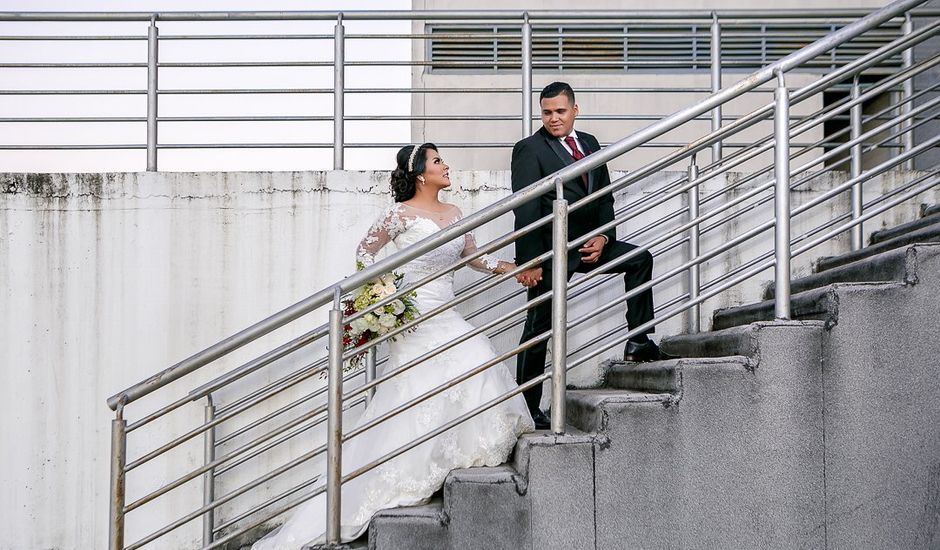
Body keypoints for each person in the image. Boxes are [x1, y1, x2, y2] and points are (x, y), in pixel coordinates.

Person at [252, 143, 534, 549]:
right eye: (438, 161)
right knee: (415, 390)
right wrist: (385, 294)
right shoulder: (398, 214)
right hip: (413, 317)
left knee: (475, 357)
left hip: (445, 308)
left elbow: (473, 257)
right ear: (420, 173)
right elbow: (365, 254)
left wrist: (508, 268)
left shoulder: (455, 214)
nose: (446, 165)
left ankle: (456, 452)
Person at [511, 82, 673, 430]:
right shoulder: (528, 150)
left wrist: (604, 235)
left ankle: (639, 340)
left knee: (639, 259)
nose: (553, 118)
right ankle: (528, 407)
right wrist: (530, 262)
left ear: (575, 110)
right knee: (539, 327)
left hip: (589, 246)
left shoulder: (591, 144)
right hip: (552, 252)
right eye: (547, 112)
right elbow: (524, 210)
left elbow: (605, 198)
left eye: (560, 111)